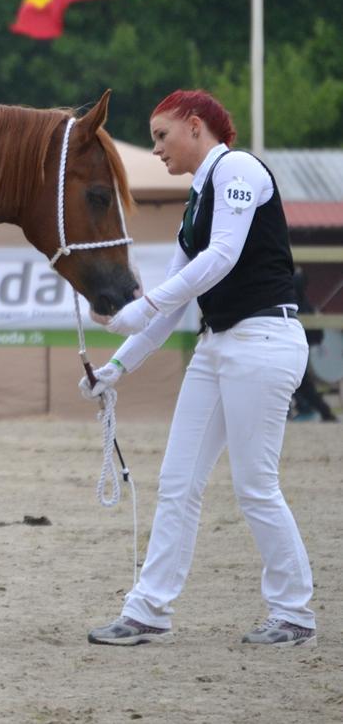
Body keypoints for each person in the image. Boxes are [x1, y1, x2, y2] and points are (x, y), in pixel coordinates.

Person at [80, 89, 316, 647]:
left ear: (194, 126)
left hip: (263, 340)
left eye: (162, 135)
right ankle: (149, 610)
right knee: (178, 481)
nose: (157, 149)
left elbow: (222, 257)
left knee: (255, 486)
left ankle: (295, 614)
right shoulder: (196, 202)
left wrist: (140, 309)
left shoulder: (237, 170)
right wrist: (117, 366)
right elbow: (174, 299)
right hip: (219, 345)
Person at [290, 267, 337, 422]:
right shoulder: (301, 303)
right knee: (299, 382)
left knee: (300, 382)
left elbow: (316, 333)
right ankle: (319, 411)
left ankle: (315, 410)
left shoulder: (299, 302)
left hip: (297, 347)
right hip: (297, 346)